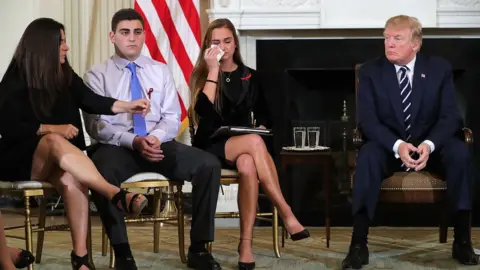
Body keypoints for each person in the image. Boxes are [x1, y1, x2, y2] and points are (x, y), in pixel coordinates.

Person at [0, 18, 151, 270]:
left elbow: (92, 100)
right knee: (53, 140)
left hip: (59, 159)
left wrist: (128, 105)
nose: (66, 47)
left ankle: (81, 260)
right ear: (43, 46)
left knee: (73, 180)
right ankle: (113, 193)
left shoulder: (64, 75)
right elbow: (7, 126)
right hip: (21, 159)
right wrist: (49, 128)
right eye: (61, 42)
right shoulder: (15, 79)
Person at [83, 9, 222, 270]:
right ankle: (123, 253)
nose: (132, 38)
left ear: (145, 35)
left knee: (208, 165)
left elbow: (171, 117)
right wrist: (133, 142)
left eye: (137, 32)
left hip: (159, 145)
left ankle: (200, 249)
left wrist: (154, 138)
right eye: (125, 33)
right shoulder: (97, 75)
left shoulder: (159, 70)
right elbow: (96, 126)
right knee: (100, 170)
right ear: (113, 36)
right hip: (118, 146)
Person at [342, 15, 478, 269]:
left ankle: (462, 241)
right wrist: (397, 145)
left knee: (459, 153)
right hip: (389, 146)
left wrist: (429, 144)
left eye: (397, 39)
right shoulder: (372, 71)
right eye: (386, 38)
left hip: (430, 145)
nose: (389, 44)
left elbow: (451, 117)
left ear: (416, 44)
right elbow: (368, 120)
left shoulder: (439, 69)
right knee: (368, 156)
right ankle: (358, 244)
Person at [189, 18, 310, 270]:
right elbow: (206, 116)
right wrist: (213, 70)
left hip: (243, 145)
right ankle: (286, 212)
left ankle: (245, 245)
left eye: (227, 41)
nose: (222, 47)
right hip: (210, 145)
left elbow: (265, 115)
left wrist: (263, 126)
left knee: (248, 165)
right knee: (254, 142)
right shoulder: (202, 74)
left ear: (235, 44)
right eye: (215, 42)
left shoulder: (249, 76)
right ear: (207, 47)